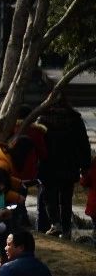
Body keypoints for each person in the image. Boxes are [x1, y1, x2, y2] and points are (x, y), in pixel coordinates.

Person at [37, 95, 91, 238]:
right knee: (66, 199)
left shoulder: (43, 119)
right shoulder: (75, 119)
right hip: (69, 164)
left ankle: (55, 224)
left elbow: (38, 143)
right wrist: (85, 165)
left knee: (49, 197)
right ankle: (66, 228)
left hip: (47, 164)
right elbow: (83, 143)